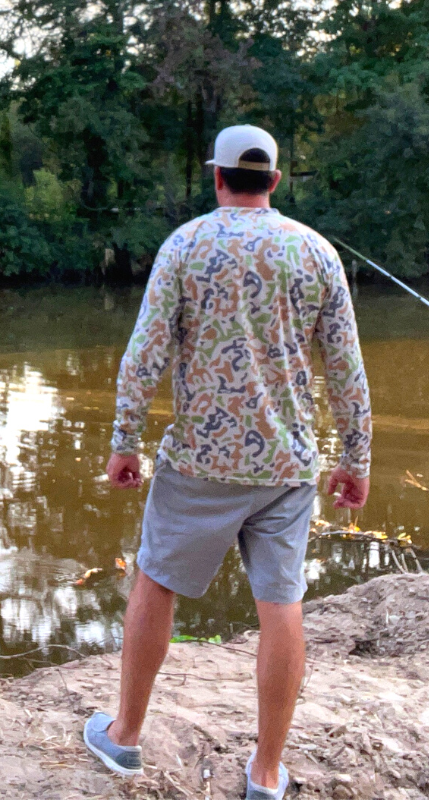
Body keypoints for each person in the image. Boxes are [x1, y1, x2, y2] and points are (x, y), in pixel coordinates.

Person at [83, 124, 372, 800]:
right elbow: (348, 371)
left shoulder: (184, 245)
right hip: (287, 468)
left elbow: (144, 353)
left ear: (217, 177)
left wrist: (125, 441)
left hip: (198, 463)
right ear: (274, 180)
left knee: (155, 580)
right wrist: (355, 457)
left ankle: (124, 737)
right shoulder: (317, 252)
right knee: (282, 603)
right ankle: (266, 776)